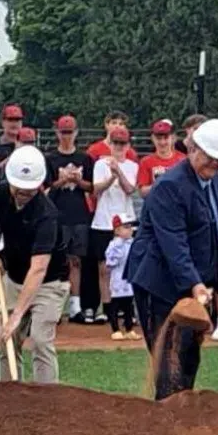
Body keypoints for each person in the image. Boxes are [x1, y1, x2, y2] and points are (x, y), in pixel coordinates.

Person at [126, 119, 218, 399]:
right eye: (210, 157)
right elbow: (173, 243)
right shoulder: (169, 186)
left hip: (194, 282)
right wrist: (195, 283)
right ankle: (167, 416)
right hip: (159, 281)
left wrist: (212, 280)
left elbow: (216, 233)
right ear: (193, 149)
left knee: (189, 355)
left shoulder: (217, 182)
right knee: (169, 361)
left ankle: (183, 412)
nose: (216, 164)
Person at [0, 146, 73, 382]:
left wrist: (17, 316)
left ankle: (45, 398)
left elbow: (39, 269)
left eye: (30, 190)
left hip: (49, 283)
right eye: (19, 188)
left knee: (40, 340)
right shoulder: (2, 193)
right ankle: (9, 393)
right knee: (6, 339)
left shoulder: (47, 216)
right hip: (14, 277)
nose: (23, 193)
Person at [44, 115, 94, 321]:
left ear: (76, 133)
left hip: (79, 214)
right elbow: (46, 188)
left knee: (76, 260)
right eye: (63, 132)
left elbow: (92, 187)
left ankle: (75, 306)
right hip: (57, 214)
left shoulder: (84, 158)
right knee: (56, 261)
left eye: (70, 132)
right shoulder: (51, 159)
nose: (66, 136)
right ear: (57, 133)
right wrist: (62, 180)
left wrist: (78, 181)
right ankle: (54, 306)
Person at [92, 127, 139, 326]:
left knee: (128, 266)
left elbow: (130, 189)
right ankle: (107, 307)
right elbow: (96, 189)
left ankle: (127, 308)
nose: (119, 147)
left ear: (128, 146)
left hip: (125, 220)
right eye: (116, 143)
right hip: (104, 220)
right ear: (110, 144)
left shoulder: (132, 166)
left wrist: (118, 171)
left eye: (122, 143)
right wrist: (111, 176)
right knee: (105, 268)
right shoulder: (100, 164)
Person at [103, 217, 139, 340]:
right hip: (118, 277)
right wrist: (118, 251)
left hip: (129, 278)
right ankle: (115, 329)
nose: (130, 230)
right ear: (117, 230)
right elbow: (110, 262)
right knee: (116, 303)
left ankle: (129, 329)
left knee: (129, 304)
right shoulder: (114, 244)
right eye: (126, 227)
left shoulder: (132, 243)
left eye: (131, 227)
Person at [138, 119, 185, 197]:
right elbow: (142, 193)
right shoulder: (145, 162)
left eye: (166, 138)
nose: (162, 142)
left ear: (172, 138)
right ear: (153, 138)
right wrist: (161, 184)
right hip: (156, 203)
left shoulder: (183, 160)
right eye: (159, 138)